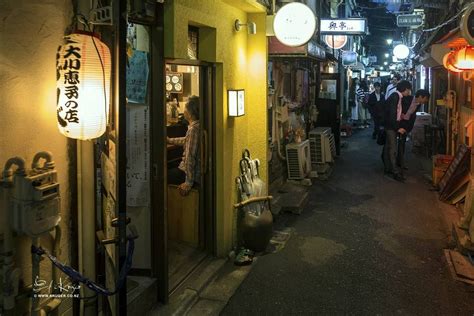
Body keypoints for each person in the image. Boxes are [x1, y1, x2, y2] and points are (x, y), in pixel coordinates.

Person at [167, 95, 201, 196]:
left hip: (189, 173)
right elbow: (186, 141)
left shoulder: (193, 129)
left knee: (163, 176)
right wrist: (169, 140)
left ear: (190, 113)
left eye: (185, 108)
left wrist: (188, 182)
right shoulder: (197, 125)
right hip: (189, 170)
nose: (184, 110)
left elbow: (190, 157)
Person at [382, 80, 412, 182]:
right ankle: (394, 171)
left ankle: (388, 169)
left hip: (390, 125)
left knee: (388, 147)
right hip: (391, 126)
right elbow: (392, 114)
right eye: (409, 90)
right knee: (393, 149)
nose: (409, 92)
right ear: (405, 89)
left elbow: (395, 113)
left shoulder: (397, 96)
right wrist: (397, 127)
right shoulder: (396, 96)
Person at [397, 89, 431, 171]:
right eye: (425, 99)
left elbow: (412, 116)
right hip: (398, 122)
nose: (425, 101)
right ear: (420, 97)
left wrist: (408, 129)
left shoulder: (419, 104)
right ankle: (391, 163)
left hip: (405, 124)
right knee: (392, 144)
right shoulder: (407, 98)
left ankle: (400, 162)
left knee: (402, 144)